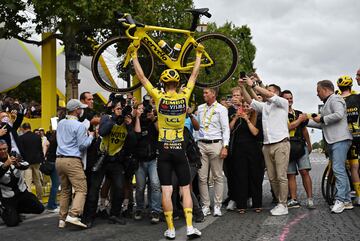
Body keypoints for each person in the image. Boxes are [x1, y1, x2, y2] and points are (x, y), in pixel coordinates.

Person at [129, 42, 203, 239]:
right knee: (185, 189)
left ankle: (170, 229)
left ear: (163, 84)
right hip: (180, 149)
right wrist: (198, 55)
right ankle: (189, 227)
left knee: (166, 190)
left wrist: (134, 55)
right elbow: (194, 75)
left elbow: (142, 77)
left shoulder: (159, 97)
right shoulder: (184, 96)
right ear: (178, 84)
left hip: (163, 150)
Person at [83, 100, 139, 228]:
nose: (120, 111)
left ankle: (114, 214)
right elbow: (102, 131)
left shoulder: (127, 123)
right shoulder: (107, 118)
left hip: (116, 161)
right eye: (118, 109)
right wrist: (115, 119)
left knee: (119, 188)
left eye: (122, 110)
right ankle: (89, 217)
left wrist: (129, 125)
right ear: (113, 109)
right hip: (102, 158)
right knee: (94, 188)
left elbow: (133, 142)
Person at [241, 76, 290, 216]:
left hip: (281, 143)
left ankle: (283, 204)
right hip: (267, 145)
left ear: (276, 93)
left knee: (281, 176)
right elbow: (250, 101)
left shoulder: (282, 102)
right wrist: (244, 87)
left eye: (269, 90)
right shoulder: (265, 106)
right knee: (272, 178)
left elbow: (267, 94)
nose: (264, 92)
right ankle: (279, 201)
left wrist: (254, 85)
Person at [307, 80, 353, 213]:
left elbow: (338, 115)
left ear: (326, 89)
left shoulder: (335, 98)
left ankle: (341, 200)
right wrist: (306, 122)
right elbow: (324, 124)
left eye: (318, 91)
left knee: (338, 170)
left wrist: (321, 118)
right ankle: (347, 200)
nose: (317, 94)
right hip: (335, 140)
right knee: (340, 170)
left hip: (340, 139)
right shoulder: (329, 101)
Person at [56, 99, 94, 228]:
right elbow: (82, 146)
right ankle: (73, 215)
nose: (82, 110)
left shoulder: (60, 123)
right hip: (72, 160)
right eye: (80, 108)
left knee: (65, 190)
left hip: (59, 160)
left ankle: (62, 218)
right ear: (77, 110)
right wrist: (91, 136)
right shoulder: (79, 126)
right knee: (81, 189)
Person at [196, 88, 230, 217]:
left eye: (206, 93)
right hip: (201, 144)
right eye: (203, 92)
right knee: (202, 177)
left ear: (213, 94)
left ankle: (217, 205)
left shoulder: (221, 109)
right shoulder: (200, 108)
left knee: (217, 177)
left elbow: (226, 129)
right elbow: (197, 127)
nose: (204, 95)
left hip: (216, 144)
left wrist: (225, 146)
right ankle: (205, 206)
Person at [280, 90, 314, 209]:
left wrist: (309, 145)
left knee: (305, 172)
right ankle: (294, 199)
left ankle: (310, 199)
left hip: (300, 144)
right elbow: (288, 127)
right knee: (290, 174)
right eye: (286, 98)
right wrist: (299, 120)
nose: (289, 100)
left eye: (291, 98)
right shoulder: (279, 114)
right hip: (287, 145)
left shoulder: (298, 113)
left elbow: (304, 130)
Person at [0, 140, 44, 227]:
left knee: (40, 208)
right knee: (12, 223)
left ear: (7, 148)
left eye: (4, 149)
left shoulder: (14, 155)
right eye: (0, 149)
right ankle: (4, 210)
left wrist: (18, 164)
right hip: (8, 197)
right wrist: (5, 165)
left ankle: (16, 210)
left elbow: (26, 164)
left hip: (22, 193)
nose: (3, 151)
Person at [133, 102, 162, 224]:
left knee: (155, 185)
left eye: (145, 109)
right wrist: (138, 118)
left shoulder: (153, 120)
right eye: (140, 109)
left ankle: (155, 210)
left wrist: (154, 118)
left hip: (153, 159)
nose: (143, 111)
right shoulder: (135, 121)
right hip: (140, 160)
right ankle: (139, 208)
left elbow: (160, 131)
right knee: (140, 187)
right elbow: (137, 134)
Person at [336, 76, 360, 205]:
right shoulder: (357, 98)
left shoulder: (337, 99)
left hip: (343, 136)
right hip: (358, 134)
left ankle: (347, 193)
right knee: (355, 166)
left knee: (343, 166)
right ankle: (358, 194)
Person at [18, 123, 45, 202]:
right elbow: (40, 149)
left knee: (28, 182)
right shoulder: (37, 137)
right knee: (38, 181)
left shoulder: (21, 138)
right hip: (37, 161)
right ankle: (40, 199)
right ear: (30, 127)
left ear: (23, 128)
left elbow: (21, 151)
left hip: (27, 162)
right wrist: (42, 159)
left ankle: (30, 201)